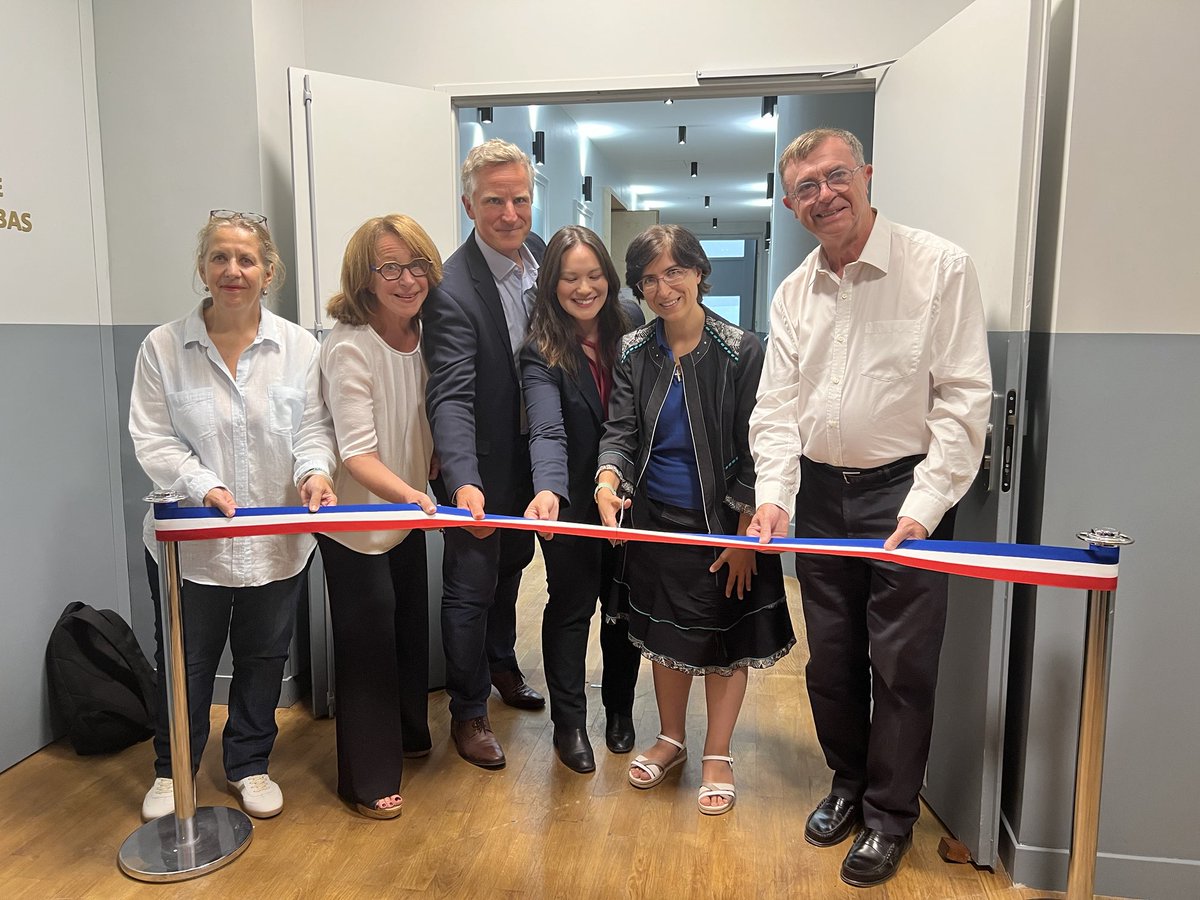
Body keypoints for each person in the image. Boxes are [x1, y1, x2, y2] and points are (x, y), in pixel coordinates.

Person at [748, 128, 991, 887]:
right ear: (792, 206)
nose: (824, 196)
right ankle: (848, 784)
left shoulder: (939, 268)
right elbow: (777, 408)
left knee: (903, 666)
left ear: (866, 174)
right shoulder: (794, 292)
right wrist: (772, 498)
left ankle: (890, 818)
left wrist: (923, 507)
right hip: (820, 495)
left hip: (906, 494)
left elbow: (962, 401)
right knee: (831, 663)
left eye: (835, 177)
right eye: (807, 188)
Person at [129, 210, 337, 821]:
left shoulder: (301, 346)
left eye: (246, 259)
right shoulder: (163, 347)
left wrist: (315, 472)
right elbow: (153, 439)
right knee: (185, 663)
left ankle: (249, 763)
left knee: (263, 657)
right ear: (202, 269)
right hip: (191, 547)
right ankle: (173, 770)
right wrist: (204, 484)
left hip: (276, 541)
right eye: (220, 258)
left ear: (268, 272)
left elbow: (314, 429)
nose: (233, 270)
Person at [595, 225, 795, 815]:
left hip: (728, 527)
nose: (663, 288)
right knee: (664, 635)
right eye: (649, 278)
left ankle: (718, 752)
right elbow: (621, 432)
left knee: (723, 639)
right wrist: (608, 478)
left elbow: (760, 447)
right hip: (656, 521)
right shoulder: (634, 350)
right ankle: (672, 739)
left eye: (674, 272)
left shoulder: (742, 350)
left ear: (699, 273)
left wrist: (742, 539)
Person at [422, 139, 546, 769]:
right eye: (494, 200)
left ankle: (502, 669)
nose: (509, 213)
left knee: (511, 571)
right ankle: (468, 713)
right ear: (469, 204)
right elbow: (450, 396)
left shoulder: (547, 261)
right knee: (470, 588)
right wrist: (462, 479)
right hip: (480, 467)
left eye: (520, 199)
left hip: (537, 464)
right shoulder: (450, 289)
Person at [317, 214, 442, 818]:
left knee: (408, 629)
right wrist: (414, 494)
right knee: (367, 643)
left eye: (416, 264)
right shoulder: (348, 345)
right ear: (365, 277)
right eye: (390, 267)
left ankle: (409, 735)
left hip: (406, 511)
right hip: (357, 520)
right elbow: (357, 455)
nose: (407, 279)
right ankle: (366, 778)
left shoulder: (427, 334)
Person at [520, 226, 644, 773]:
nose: (584, 287)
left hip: (631, 494)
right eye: (570, 277)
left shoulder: (633, 325)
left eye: (594, 275)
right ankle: (568, 724)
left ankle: (619, 710)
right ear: (552, 284)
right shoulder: (540, 349)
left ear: (609, 278)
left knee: (621, 606)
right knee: (571, 606)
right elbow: (547, 429)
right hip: (569, 496)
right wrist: (547, 488)